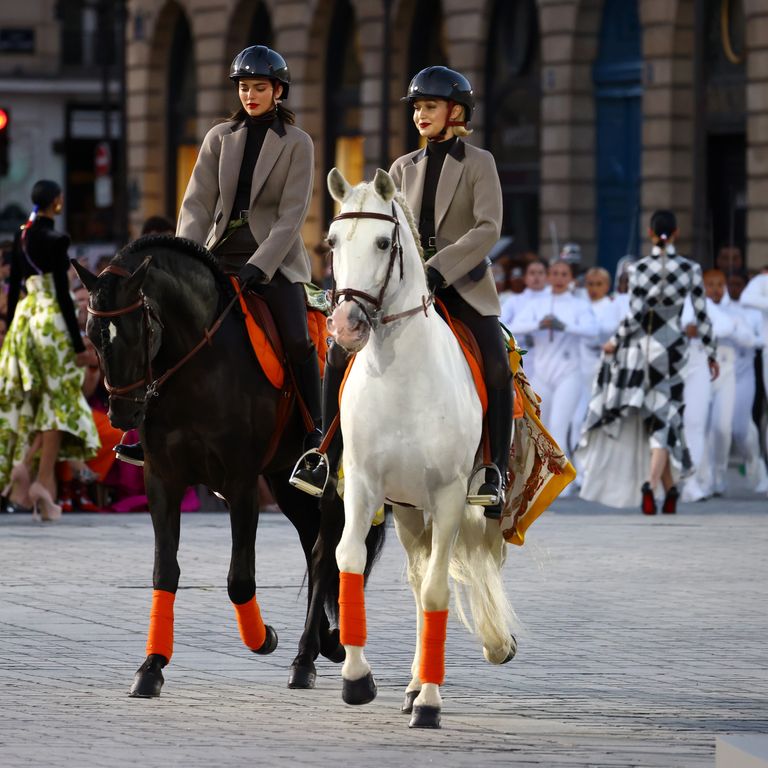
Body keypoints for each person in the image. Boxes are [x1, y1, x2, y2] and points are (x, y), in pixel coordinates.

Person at [293, 65, 511, 518]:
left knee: (495, 361)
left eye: (429, 106)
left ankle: (493, 470)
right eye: (416, 108)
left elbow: (488, 228)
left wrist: (439, 269)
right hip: (403, 290)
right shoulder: (399, 169)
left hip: (463, 286)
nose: (420, 116)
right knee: (337, 353)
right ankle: (325, 455)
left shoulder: (480, 164)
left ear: (456, 111)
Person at [115, 46, 321, 467]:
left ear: (278, 91)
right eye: (244, 87)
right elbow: (196, 205)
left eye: (259, 88)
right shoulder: (218, 137)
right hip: (217, 256)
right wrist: (183, 260)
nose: (250, 95)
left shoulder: (298, 143)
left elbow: (291, 216)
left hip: (274, 262)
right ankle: (147, 428)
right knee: (166, 328)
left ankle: (314, 433)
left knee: (299, 341)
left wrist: (257, 267)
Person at [578, 210, 718, 514]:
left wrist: (615, 341)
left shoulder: (639, 269)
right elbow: (702, 316)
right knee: (665, 416)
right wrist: (710, 352)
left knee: (657, 416)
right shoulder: (690, 269)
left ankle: (667, 490)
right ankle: (654, 485)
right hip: (675, 350)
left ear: (651, 234)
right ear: (676, 232)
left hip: (645, 349)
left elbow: (636, 316)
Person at [0, 180, 99, 520]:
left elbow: (14, 292)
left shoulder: (21, 234)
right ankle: (34, 475)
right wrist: (76, 343)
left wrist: (13, 328)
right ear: (56, 201)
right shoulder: (57, 240)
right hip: (51, 323)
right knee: (59, 402)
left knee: (41, 403)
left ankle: (36, 483)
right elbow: (59, 290)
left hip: (25, 323)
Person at [510, 259, 598, 461]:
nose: (559, 278)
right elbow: (512, 326)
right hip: (541, 373)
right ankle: (545, 480)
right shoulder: (536, 304)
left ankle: (564, 477)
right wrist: (538, 324)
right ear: (549, 277)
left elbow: (593, 331)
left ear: (571, 278)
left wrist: (564, 326)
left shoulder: (578, 305)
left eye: (564, 274)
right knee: (544, 428)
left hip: (568, 374)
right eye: (555, 273)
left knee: (559, 425)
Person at [681, 270, 754, 500]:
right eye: (710, 284)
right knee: (697, 424)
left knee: (722, 428)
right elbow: (689, 328)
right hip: (700, 367)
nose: (715, 288)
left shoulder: (735, 310)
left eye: (719, 284)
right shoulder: (695, 304)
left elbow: (747, 337)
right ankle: (702, 479)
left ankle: (720, 472)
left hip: (727, 371)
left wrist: (723, 327)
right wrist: (719, 328)